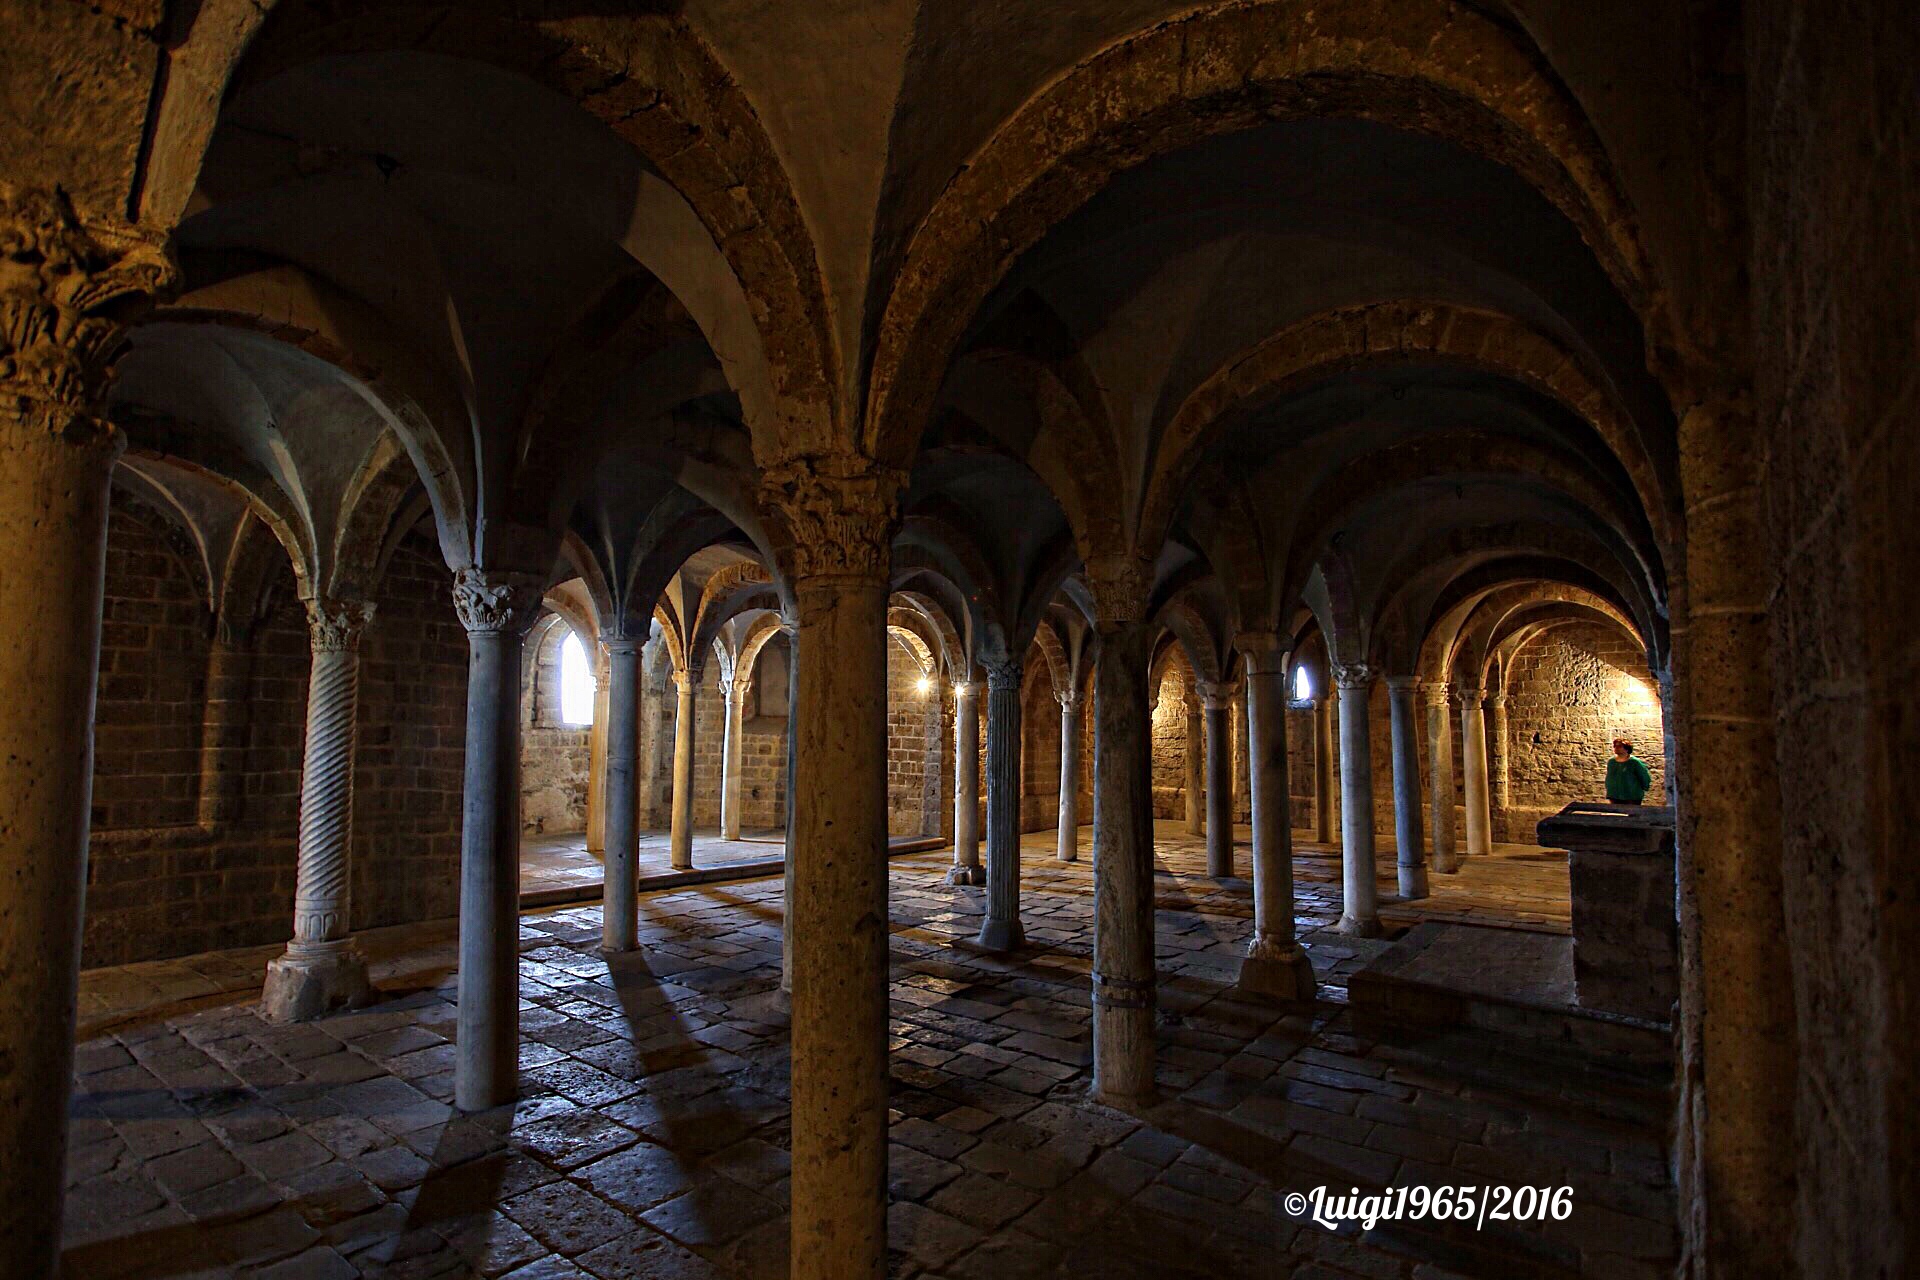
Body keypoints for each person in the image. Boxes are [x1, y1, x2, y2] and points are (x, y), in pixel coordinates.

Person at [1606, 737, 1653, 804]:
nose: (1616, 748)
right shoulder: (1612, 762)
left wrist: (1644, 787)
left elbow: (1644, 776)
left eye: (1619, 746)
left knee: (1633, 812)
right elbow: (1609, 777)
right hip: (1615, 794)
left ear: (1627, 748)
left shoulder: (1634, 762)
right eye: (1615, 746)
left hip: (1631, 795)